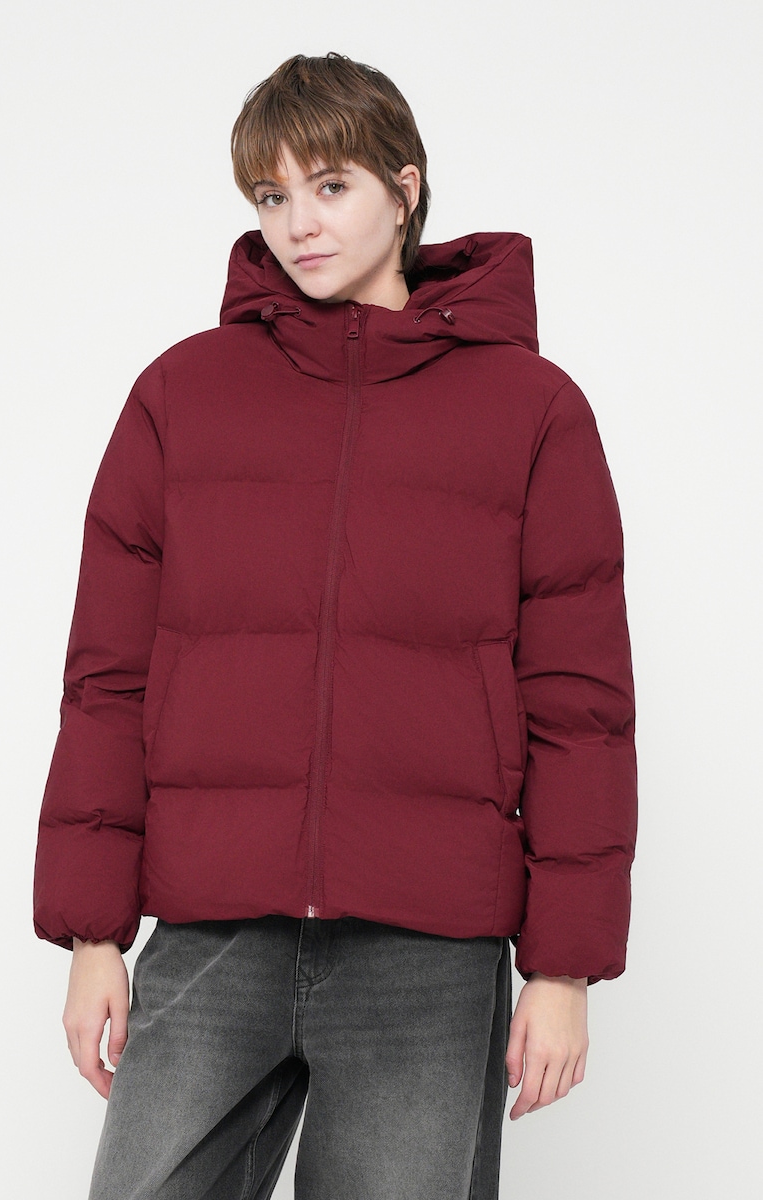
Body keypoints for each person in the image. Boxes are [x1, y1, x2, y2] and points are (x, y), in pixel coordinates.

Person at [33, 52, 638, 1200]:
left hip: (427, 947)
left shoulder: (533, 412)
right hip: (215, 927)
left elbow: (581, 708)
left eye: (330, 186)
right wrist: (93, 934)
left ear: (404, 190)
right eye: (272, 196)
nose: (298, 225)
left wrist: (564, 969)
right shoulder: (182, 396)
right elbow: (108, 680)